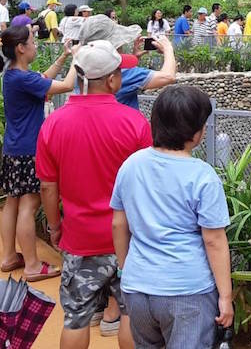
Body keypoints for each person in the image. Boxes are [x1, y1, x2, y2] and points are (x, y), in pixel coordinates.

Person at [38, 40, 152, 348]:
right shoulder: (135, 122)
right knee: (131, 316)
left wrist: (55, 226)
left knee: (76, 316)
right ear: (114, 79)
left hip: (80, 238)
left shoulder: (53, 124)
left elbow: (48, 186)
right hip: (129, 240)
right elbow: (147, 184)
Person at [112, 85, 233, 348]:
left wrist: (127, 269)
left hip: (138, 289)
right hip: (187, 291)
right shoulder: (202, 175)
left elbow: (119, 224)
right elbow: (213, 240)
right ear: (195, 132)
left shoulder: (131, 165)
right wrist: (225, 296)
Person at [0, 25, 76, 282]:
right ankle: (32, 265)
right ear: (20, 48)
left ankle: (8, 257)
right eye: (33, 42)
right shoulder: (23, 78)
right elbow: (66, 85)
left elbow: (44, 82)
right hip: (29, 149)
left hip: (14, 147)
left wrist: (64, 56)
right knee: (29, 204)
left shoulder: (14, 75)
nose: (36, 46)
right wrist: (79, 60)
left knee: (13, 202)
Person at [77, 16, 176, 111]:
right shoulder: (121, 73)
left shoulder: (81, 69)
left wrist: (135, 57)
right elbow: (168, 76)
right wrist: (168, 49)